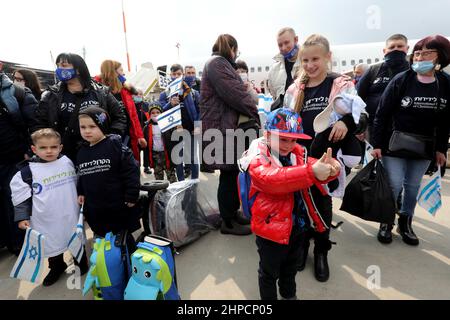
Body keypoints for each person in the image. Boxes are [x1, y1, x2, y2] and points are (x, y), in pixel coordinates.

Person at [284, 34, 366, 282]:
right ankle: (301, 247)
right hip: (298, 159)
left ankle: (321, 250)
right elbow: (285, 122)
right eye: (305, 60)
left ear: (328, 57)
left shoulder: (340, 84)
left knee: (321, 206)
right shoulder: (294, 88)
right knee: (297, 205)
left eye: (315, 59)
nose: (309, 65)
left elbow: (362, 116)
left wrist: (345, 123)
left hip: (326, 160)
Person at [239, 108, 340, 300]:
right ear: (267, 135)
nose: (289, 145)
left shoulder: (297, 153)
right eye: (283, 139)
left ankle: (289, 296)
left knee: (290, 269)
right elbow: (269, 180)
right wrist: (311, 172)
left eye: (293, 139)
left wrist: (331, 167)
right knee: (269, 273)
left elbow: (314, 167)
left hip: (298, 227)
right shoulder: (257, 156)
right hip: (271, 230)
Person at [371, 35, 450, 246]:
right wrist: (377, 144)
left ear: (439, 56)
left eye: (427, 53)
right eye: (417, 53)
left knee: (413, 187)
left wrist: (441, 148)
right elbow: (382, 114)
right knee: (395, 185)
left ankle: (405, 223)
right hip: (394, 144)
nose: (420, 57)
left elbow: (445, 121)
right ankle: (386, 222)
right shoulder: (402, 80)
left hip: (425, 146)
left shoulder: (445, 83)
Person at [10, 128, 88, 286]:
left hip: (70, 213)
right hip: (46, 218)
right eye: (43, 148)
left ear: (60, 147)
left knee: (74, 237)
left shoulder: (68, 162)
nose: (49, 151)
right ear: (34, 149)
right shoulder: (26, 172)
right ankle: (56, 266)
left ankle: (80, 261)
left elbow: (81, 181)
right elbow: (21, 198)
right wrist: (22, 217)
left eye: (53, 147)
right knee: (52, 243)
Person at [200, 34, 260, 236]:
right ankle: (227, 220)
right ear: (232, 48)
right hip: (222, 130)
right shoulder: (218, 64)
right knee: (228, 174)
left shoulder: (217, 63)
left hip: (224, 128)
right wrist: (253, 106)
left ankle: (232, 214)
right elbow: (234, 94)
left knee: (232, 172)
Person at [34, 53, 127, 162]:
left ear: (78, 69)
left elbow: (119, 117)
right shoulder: (51, 95)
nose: (59, 69)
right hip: (62, 157)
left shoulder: (101, 92)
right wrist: (48, 147)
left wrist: (108, 141)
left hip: (96, 154)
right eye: (58, 65)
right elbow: (39, 123)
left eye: (64, 66)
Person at [76, 107, 141, 238]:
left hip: (118, 206)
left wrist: (132, 195)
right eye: (83, 127)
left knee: (123, 241)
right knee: (101, 241)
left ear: (103, 125)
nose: (87, 131)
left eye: (92, 126)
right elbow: (82, 175)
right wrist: (81, 191)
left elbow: (131, 171)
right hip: (95, 208)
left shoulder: (115, 146)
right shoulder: (82, 151)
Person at [0, 62, 38, 255]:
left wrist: (30, 149)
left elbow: (35, 124)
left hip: (16, 158)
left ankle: (19, 243)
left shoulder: (18, 93)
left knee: (15, 200)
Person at [357, 34, 410, 145]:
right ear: (384, 50)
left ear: (407, 49)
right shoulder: (373, 70)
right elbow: (357, 98)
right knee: (376, 161)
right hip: (375, 128)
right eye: (392, 47)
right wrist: (360, 126)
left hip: (405, 130)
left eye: (400, 46)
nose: (396, 49)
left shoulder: (412, 71)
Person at [95, 60, 147, 162]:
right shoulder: (96, 90)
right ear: (112, 71)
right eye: (121, 70)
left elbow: (133, 116)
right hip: (105, 137)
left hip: (127, 136)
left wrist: (140, 136)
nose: (123, 73)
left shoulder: (125, 90)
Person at [159, 64, 200, 181]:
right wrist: (169, 104)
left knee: (192, 158)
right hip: (174, 131)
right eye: (174, 74)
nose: (176, 76)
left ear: (183, 75)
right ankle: (181, 183)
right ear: (170, 75)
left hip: (191, 130)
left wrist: (198, 125)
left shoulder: (192, 92)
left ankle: (194, 183)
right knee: (178, 159)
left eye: (179, 74)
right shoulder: (165, 94)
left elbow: (200, 110)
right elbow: (159, 111)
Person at [143, 103, 177, 182]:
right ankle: (161, 193)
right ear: (149, 114)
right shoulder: (146, 127)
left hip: (167, 155)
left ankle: (174, 193)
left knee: (172, 178)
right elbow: (144, 144)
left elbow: (175, 139)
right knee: (158, 180)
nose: (155, 114)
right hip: (155, 156)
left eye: (158, 112)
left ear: (162, 113)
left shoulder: (167, 125)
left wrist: (177, 130)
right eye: (153, 113)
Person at [268, 27, 301, 106]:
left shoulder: (308, 64)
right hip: (283, 116)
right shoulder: (273, 70)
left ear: (296, 40)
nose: (284, 48)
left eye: (286, 43)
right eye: (280, 45)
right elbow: (274, 96)